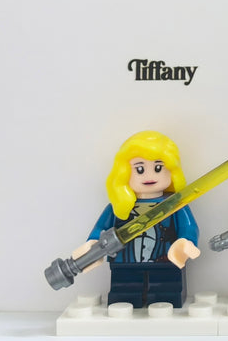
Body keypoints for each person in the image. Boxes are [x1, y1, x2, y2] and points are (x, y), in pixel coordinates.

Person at [81, 130, 199, 309]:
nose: (149, 177)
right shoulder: (119, 207)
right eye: (140, 169)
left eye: (158, 168)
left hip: (166, 260)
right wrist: (92, 245)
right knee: (124, 292)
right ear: (125, 172)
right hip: (124, 262)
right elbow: (100, 229)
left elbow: (188, 227)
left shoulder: (175, 205)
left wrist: (186, 242)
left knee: (166, 292)